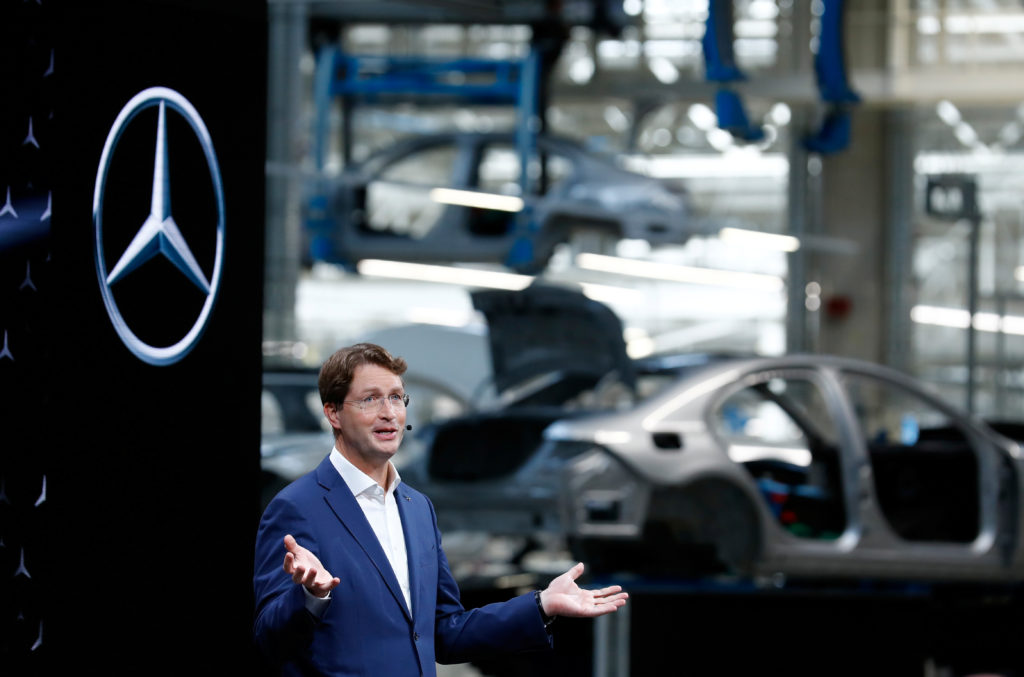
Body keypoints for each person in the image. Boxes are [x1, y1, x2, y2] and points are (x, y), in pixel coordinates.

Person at [253, 343, 628, 676]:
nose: (389, 413)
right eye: (370, 399)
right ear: (333, 414)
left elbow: (446, 633)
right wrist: (309, 598)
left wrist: (541, 604)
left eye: (397, 398)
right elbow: (268, 640)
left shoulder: (418, 508)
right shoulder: (296, 507)